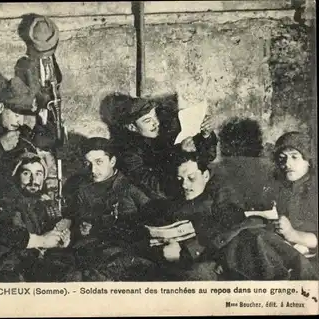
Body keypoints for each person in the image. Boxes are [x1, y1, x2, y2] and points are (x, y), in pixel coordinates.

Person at [143, 150, 318, 281]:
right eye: (180, 180)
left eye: (191, 178)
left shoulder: (222, 195)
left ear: (205, 175)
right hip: (206, 256)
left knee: (255, 239)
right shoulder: (171, 203)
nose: (184, 185)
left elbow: (234, 224)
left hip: (235, 246)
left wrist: (189, 251)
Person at [0, 151, 75, 282]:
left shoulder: (44, 203)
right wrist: (41, 241)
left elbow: (54, 228)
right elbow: (5, 231)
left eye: (38, 174)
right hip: (4, 266)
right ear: (16, 176)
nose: (34, 180)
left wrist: (61, 239)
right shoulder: (4, 199)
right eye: (26, 173)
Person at [67, 137, 156, 281]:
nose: (93, 170)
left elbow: (151, 219)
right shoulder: (82, 189)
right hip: (92, 253)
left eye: (99, 162)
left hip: (126, 254)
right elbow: (77, 218)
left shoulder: (131, 187)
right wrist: (81, 227)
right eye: (88, 163)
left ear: (113, 161)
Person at [109, 93, 218, 198]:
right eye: (147, 120)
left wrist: (206, 135)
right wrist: (180, 151)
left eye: (155, 116)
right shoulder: (129, 154)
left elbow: (208, 157)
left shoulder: (163, 130)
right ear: (132, 127)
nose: (156, 123)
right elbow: (158, 187)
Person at [0, 77, 57, 196]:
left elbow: (39, 140)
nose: (20, 121)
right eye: (17, 114)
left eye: (23, 115)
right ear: (1, 108)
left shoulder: (15, 128)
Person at [260, 131, 318, 259]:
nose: (287, 163)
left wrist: (292, 234)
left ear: (308, 160)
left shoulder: (314, 189)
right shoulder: (280, 186)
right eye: (282, 157)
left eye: (294, 157)